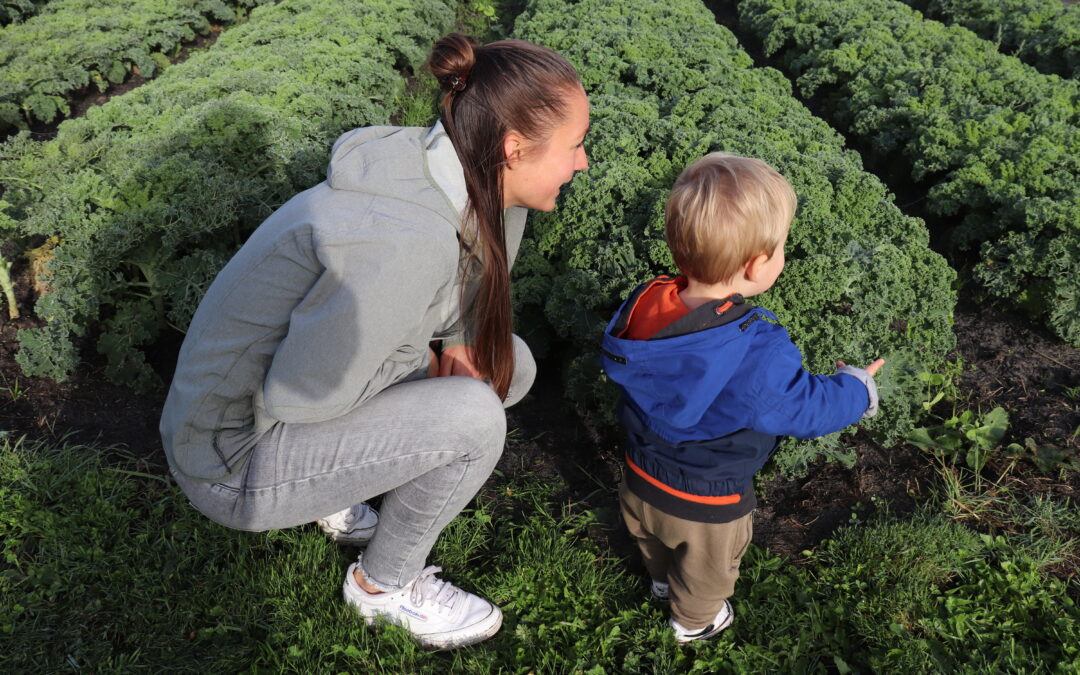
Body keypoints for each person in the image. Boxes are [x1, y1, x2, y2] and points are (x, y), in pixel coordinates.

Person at [159, 33, 590, 650]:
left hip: (293, 401)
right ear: (514, 148)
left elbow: (455, 312)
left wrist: (456, 351)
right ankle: (383, 586)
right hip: (230, 459)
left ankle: (337, 488)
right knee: (471, 415)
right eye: (574, 145)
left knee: (505, 366)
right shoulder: (404, 240)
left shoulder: (475, 181)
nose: (582, 164)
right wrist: (434, 365)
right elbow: (301, 396)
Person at [598, 153, 883, 644]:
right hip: (706, 496)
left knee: (652, 539)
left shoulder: (644, 303)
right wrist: (856, 388)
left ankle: (662, 581)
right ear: (756, 266)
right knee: (707, 571)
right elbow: (801, 408)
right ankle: (694, 621)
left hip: (640, 471)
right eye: (781, 248)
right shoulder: (754, 346)